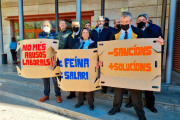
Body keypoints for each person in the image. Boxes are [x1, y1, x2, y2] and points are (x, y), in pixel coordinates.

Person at [125, 13, 163, 113]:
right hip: (136, 61)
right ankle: (132, 101)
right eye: (139, 20)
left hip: (149, 60)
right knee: (134, 83)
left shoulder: (155, 29)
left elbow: (158, 42)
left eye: (143, 20)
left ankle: (150, 104)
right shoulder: (134, 31)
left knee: (149, 84)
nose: (141, 21)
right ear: (136, 22)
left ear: (147, 20)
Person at [38, 20, 62, 103]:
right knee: (45, 78)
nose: (46, 27)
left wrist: (57, 53)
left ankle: (58, 95)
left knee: (55, 79)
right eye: (44, 25)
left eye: (47, 25)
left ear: (51, 27)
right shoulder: (40, 35)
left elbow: (60, 46)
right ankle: (46, 95)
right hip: (44, 60)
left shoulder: (55, 35)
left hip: (53, 60)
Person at [73, 28, 96, 111]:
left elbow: (96, 56)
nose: (85, 34)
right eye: (84, 33)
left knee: (89, 86)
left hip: (89, 68)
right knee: (80, 85)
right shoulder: (77, 44)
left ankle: (91, 103)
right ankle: (80, 101)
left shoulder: (93, 44)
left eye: (87, 33)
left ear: (89, 34)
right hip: (79, 67)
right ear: (81, 34)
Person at [91, 16, 112, 94]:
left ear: (104, 22)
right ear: (97, 22)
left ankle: (104, 88)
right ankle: (96, 85)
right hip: (95, 53)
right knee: (95, 69)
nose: (100, 22)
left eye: (102, 21)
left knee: (104, 70)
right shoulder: (93, 31)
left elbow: (110, 41)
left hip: (104, 53)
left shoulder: (108, 31)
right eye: (99, 21)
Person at [64, 20, 81, 99]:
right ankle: (72, 93)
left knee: (79, 77)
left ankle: (81, 94)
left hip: (80, 60)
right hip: (71, 60)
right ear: (71, 26)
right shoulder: (69, 36)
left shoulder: (82, 35)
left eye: (76, 25)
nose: (75, 27)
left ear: (79, 25)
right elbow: (65, 46)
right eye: (73, 25)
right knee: (72, 77)